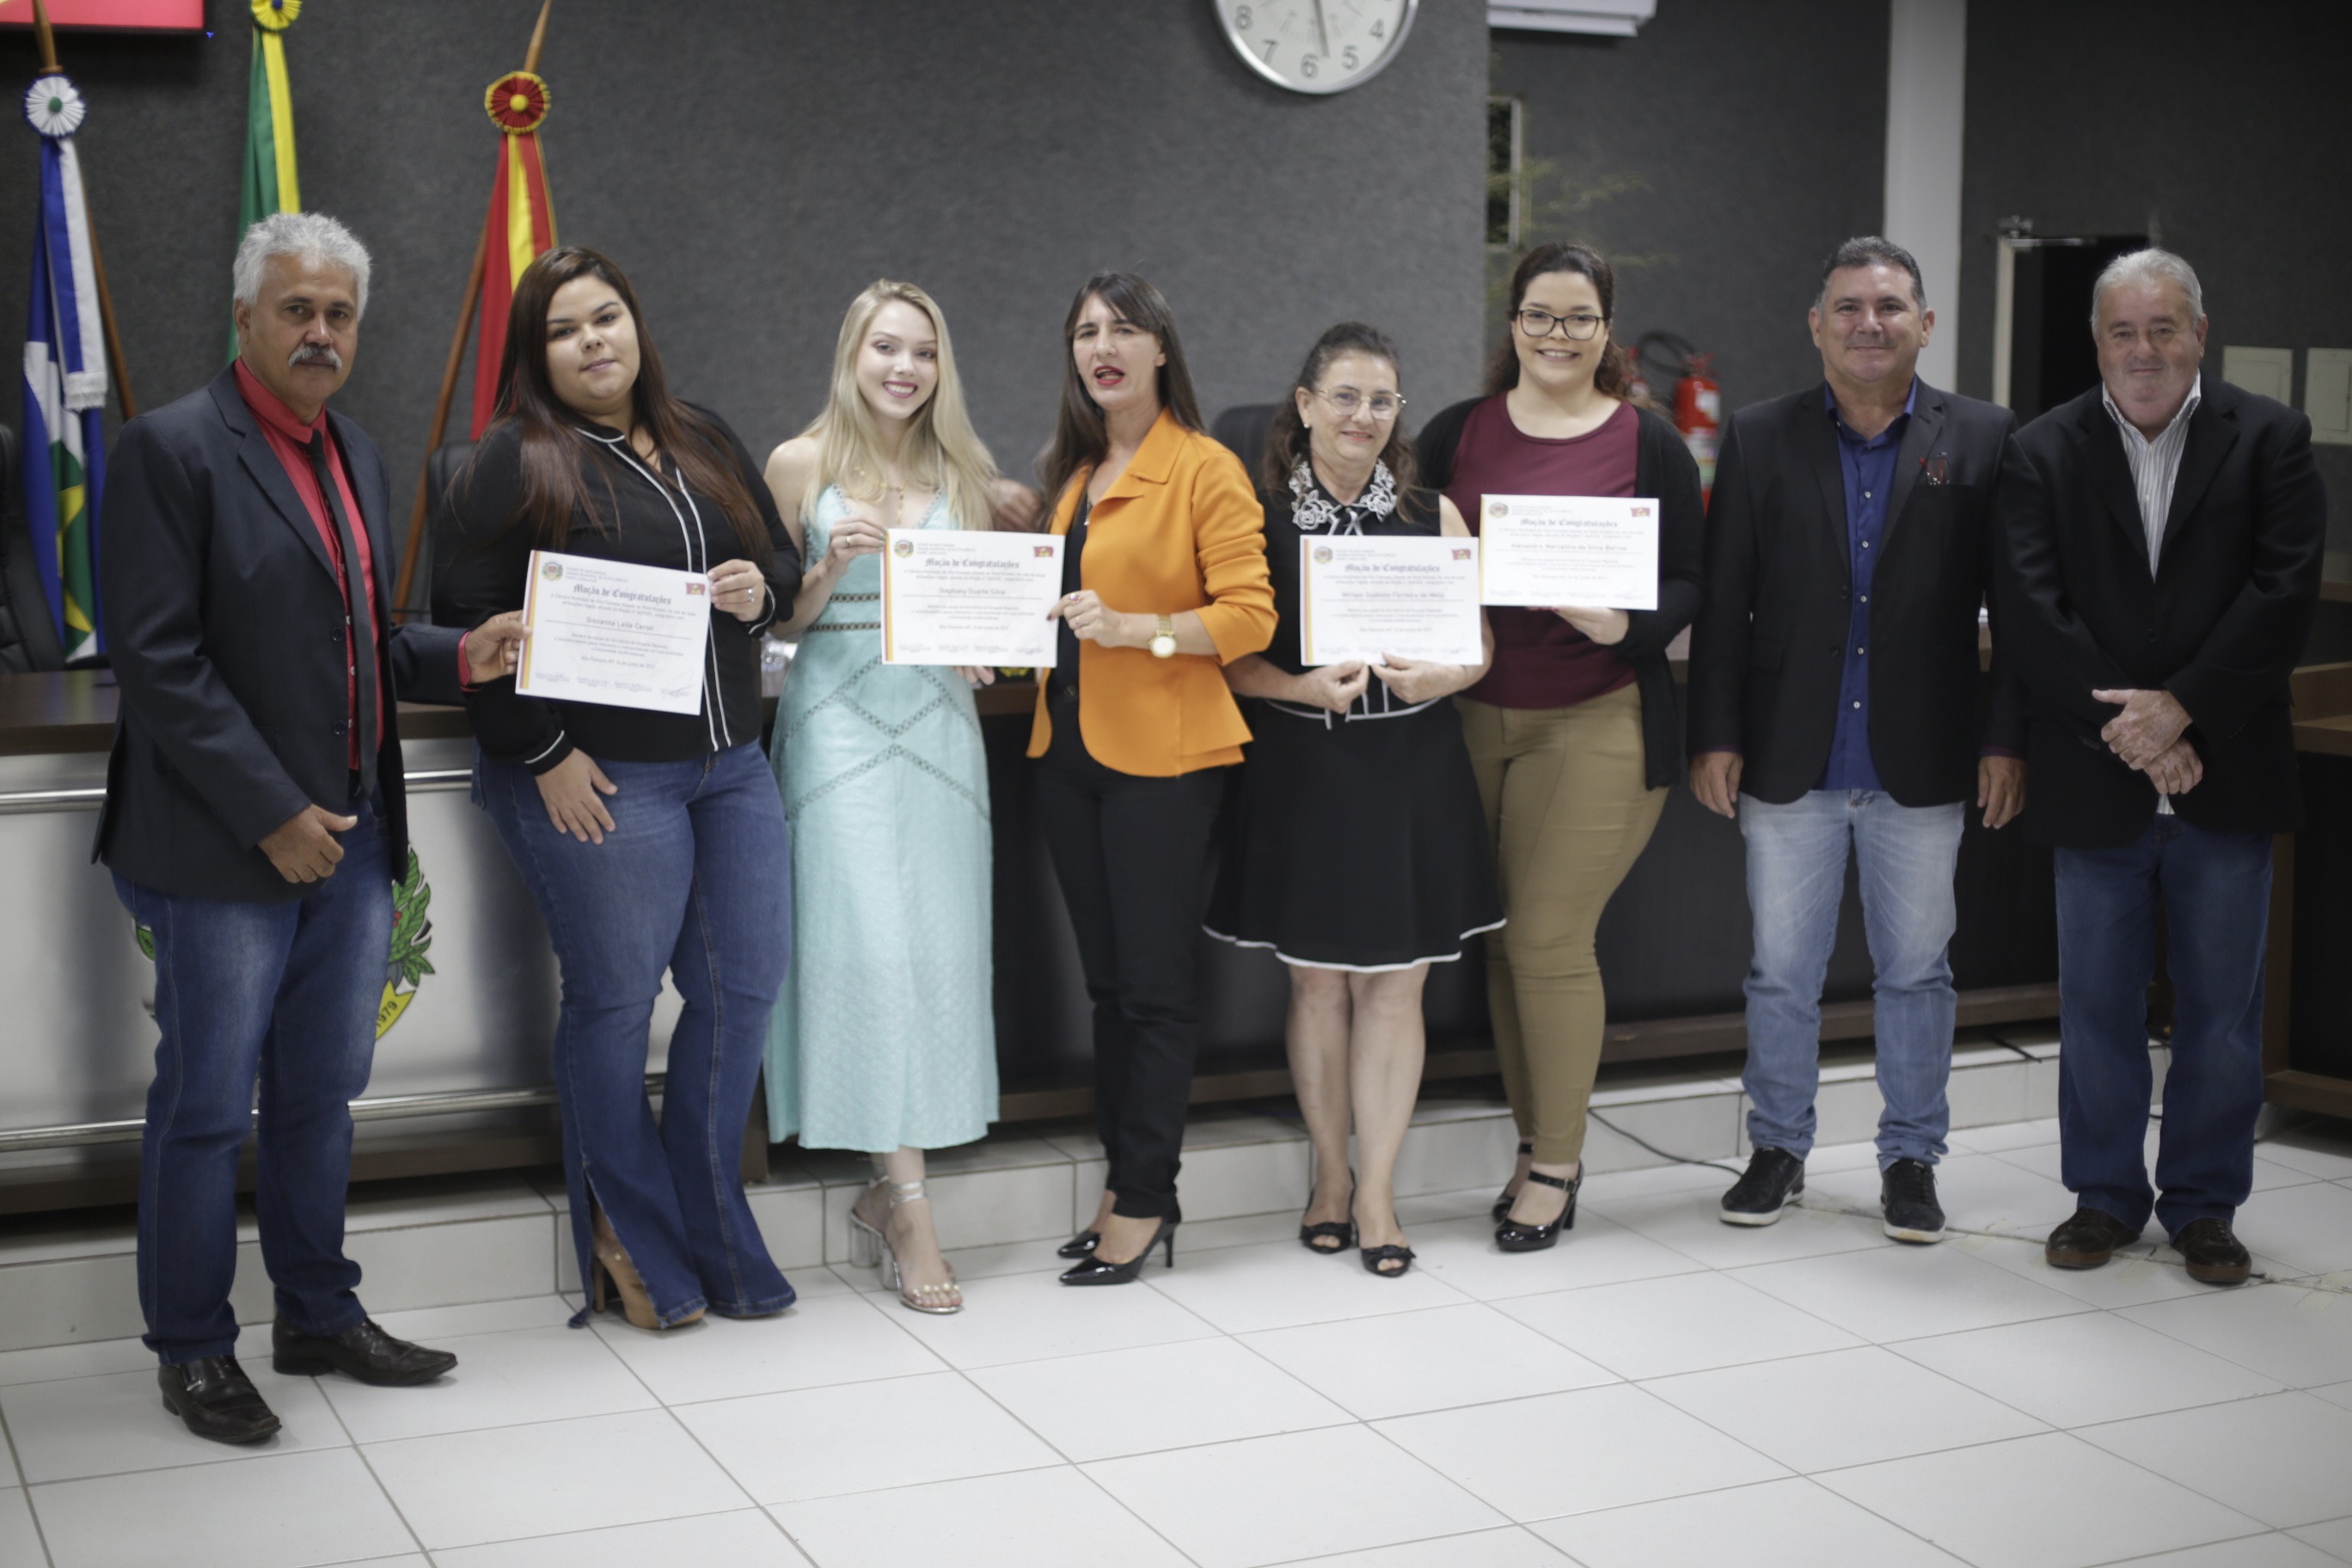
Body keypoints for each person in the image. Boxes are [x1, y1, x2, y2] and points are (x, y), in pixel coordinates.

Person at [98, 212, 525, 1443]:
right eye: (298, 310)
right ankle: (189, 1347)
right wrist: (273, 812)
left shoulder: (361, 457)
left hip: (350, 847)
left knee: (320, 1097)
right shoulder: (168, 450)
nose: (321, 332)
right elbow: (161, 663)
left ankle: (316, 1313)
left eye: (340, 313)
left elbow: (364, 642)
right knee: (205, 1105)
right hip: (223, 849)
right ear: (246, 318)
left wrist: (460, 653)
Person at [435, 246, 801, 1329]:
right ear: (536, 355)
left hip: (731, 766)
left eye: (608, 318)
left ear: (637, 324)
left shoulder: (704, 432)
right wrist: (540, 754)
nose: (594, 341)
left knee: (743, 992)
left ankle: (709, 1222)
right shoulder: (510, 461)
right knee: (615, 1005)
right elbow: (468, 631)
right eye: (565, 329)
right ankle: (629, 1232)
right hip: (599, 777)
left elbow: (777, 567)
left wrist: (756, 592)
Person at [1687, 236, 2027, 1243]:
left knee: (1916, 972)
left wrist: (2005, 739)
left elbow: (2014, 611)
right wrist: (1714, 732)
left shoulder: (1984, 436)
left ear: (1924, 321)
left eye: (1888, 306)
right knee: (1780, 972)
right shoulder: (1758, 435)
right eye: (1848, 307)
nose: (1868, 324)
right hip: (1790, 757)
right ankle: (1778, 1148)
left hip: (1923, 761)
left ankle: (1911, 1159)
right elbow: (1727, 601)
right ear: (1816, 324)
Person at [1999, 248, 2324, 1285]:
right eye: (2123, 332)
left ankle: (2203, 1206)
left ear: (2200, 332)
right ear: (2099, 343)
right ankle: (2101, 1199)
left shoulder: (2271, 438)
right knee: (2096, 1006)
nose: (2145, 350)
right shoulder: (2041, 449)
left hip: (2224, 768)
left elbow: (2282, 596)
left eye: (2164, 328)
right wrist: (2135, 730)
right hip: (2096, 776)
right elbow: (2030, 611)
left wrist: (2183, 710)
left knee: (2221, 1011)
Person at [1418, 242, 1704, 1253]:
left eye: (1578, 318)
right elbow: (1407, 548)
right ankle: (1534, 1142)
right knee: (1505, 942)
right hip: (1469, 715)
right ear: (1513, 324)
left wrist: (1621, 625)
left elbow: (1690, 583)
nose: (1556, 335)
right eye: (1539, 315)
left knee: (1544, 937)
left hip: (1598, 715)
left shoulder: (1648, 442)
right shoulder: (1457, 433)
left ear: (1606, 331)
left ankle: (1558, 1165)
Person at [1205, 322, 1499, 1277]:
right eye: (1344, 397)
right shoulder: (1253, 517)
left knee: (1396, 984)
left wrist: (1441, 681)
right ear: (1303, 405)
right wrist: (1298, 689)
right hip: (1302, 772)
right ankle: (1329, 1176)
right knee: (1319, 983)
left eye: (1382, 400)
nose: (1363, 417)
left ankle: (1379, 1195)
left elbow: (1478, 648)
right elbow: (1231, 658)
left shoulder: (1435, 513)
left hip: (1409, 768)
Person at [763, 280, 1007, 1314]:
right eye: (885, 348)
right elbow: (769, 632)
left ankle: (886, 1191)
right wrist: (820, 572)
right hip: (834, 731)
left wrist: (989, 647)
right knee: (866, 956)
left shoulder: (968, 471)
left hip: (942, 736)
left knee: (937, 955)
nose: (904, 367)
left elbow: (989, 608)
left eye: (923, 352)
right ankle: (908, 1208)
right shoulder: (796, 464)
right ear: (851, 354)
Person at [1032, 272, 1276, 1285]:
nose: (1105, 345)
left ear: (1162, 348)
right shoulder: (1076, 471)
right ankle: (1131, 1187)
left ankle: (1143, 1200)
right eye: (1087, 330)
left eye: (1125, 328)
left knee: (1159, 993)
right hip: (1072, 755)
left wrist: (1143, 631)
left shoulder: (1206, 466)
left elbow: (1251, 618)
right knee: (1109, 990)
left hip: (1165, 764)